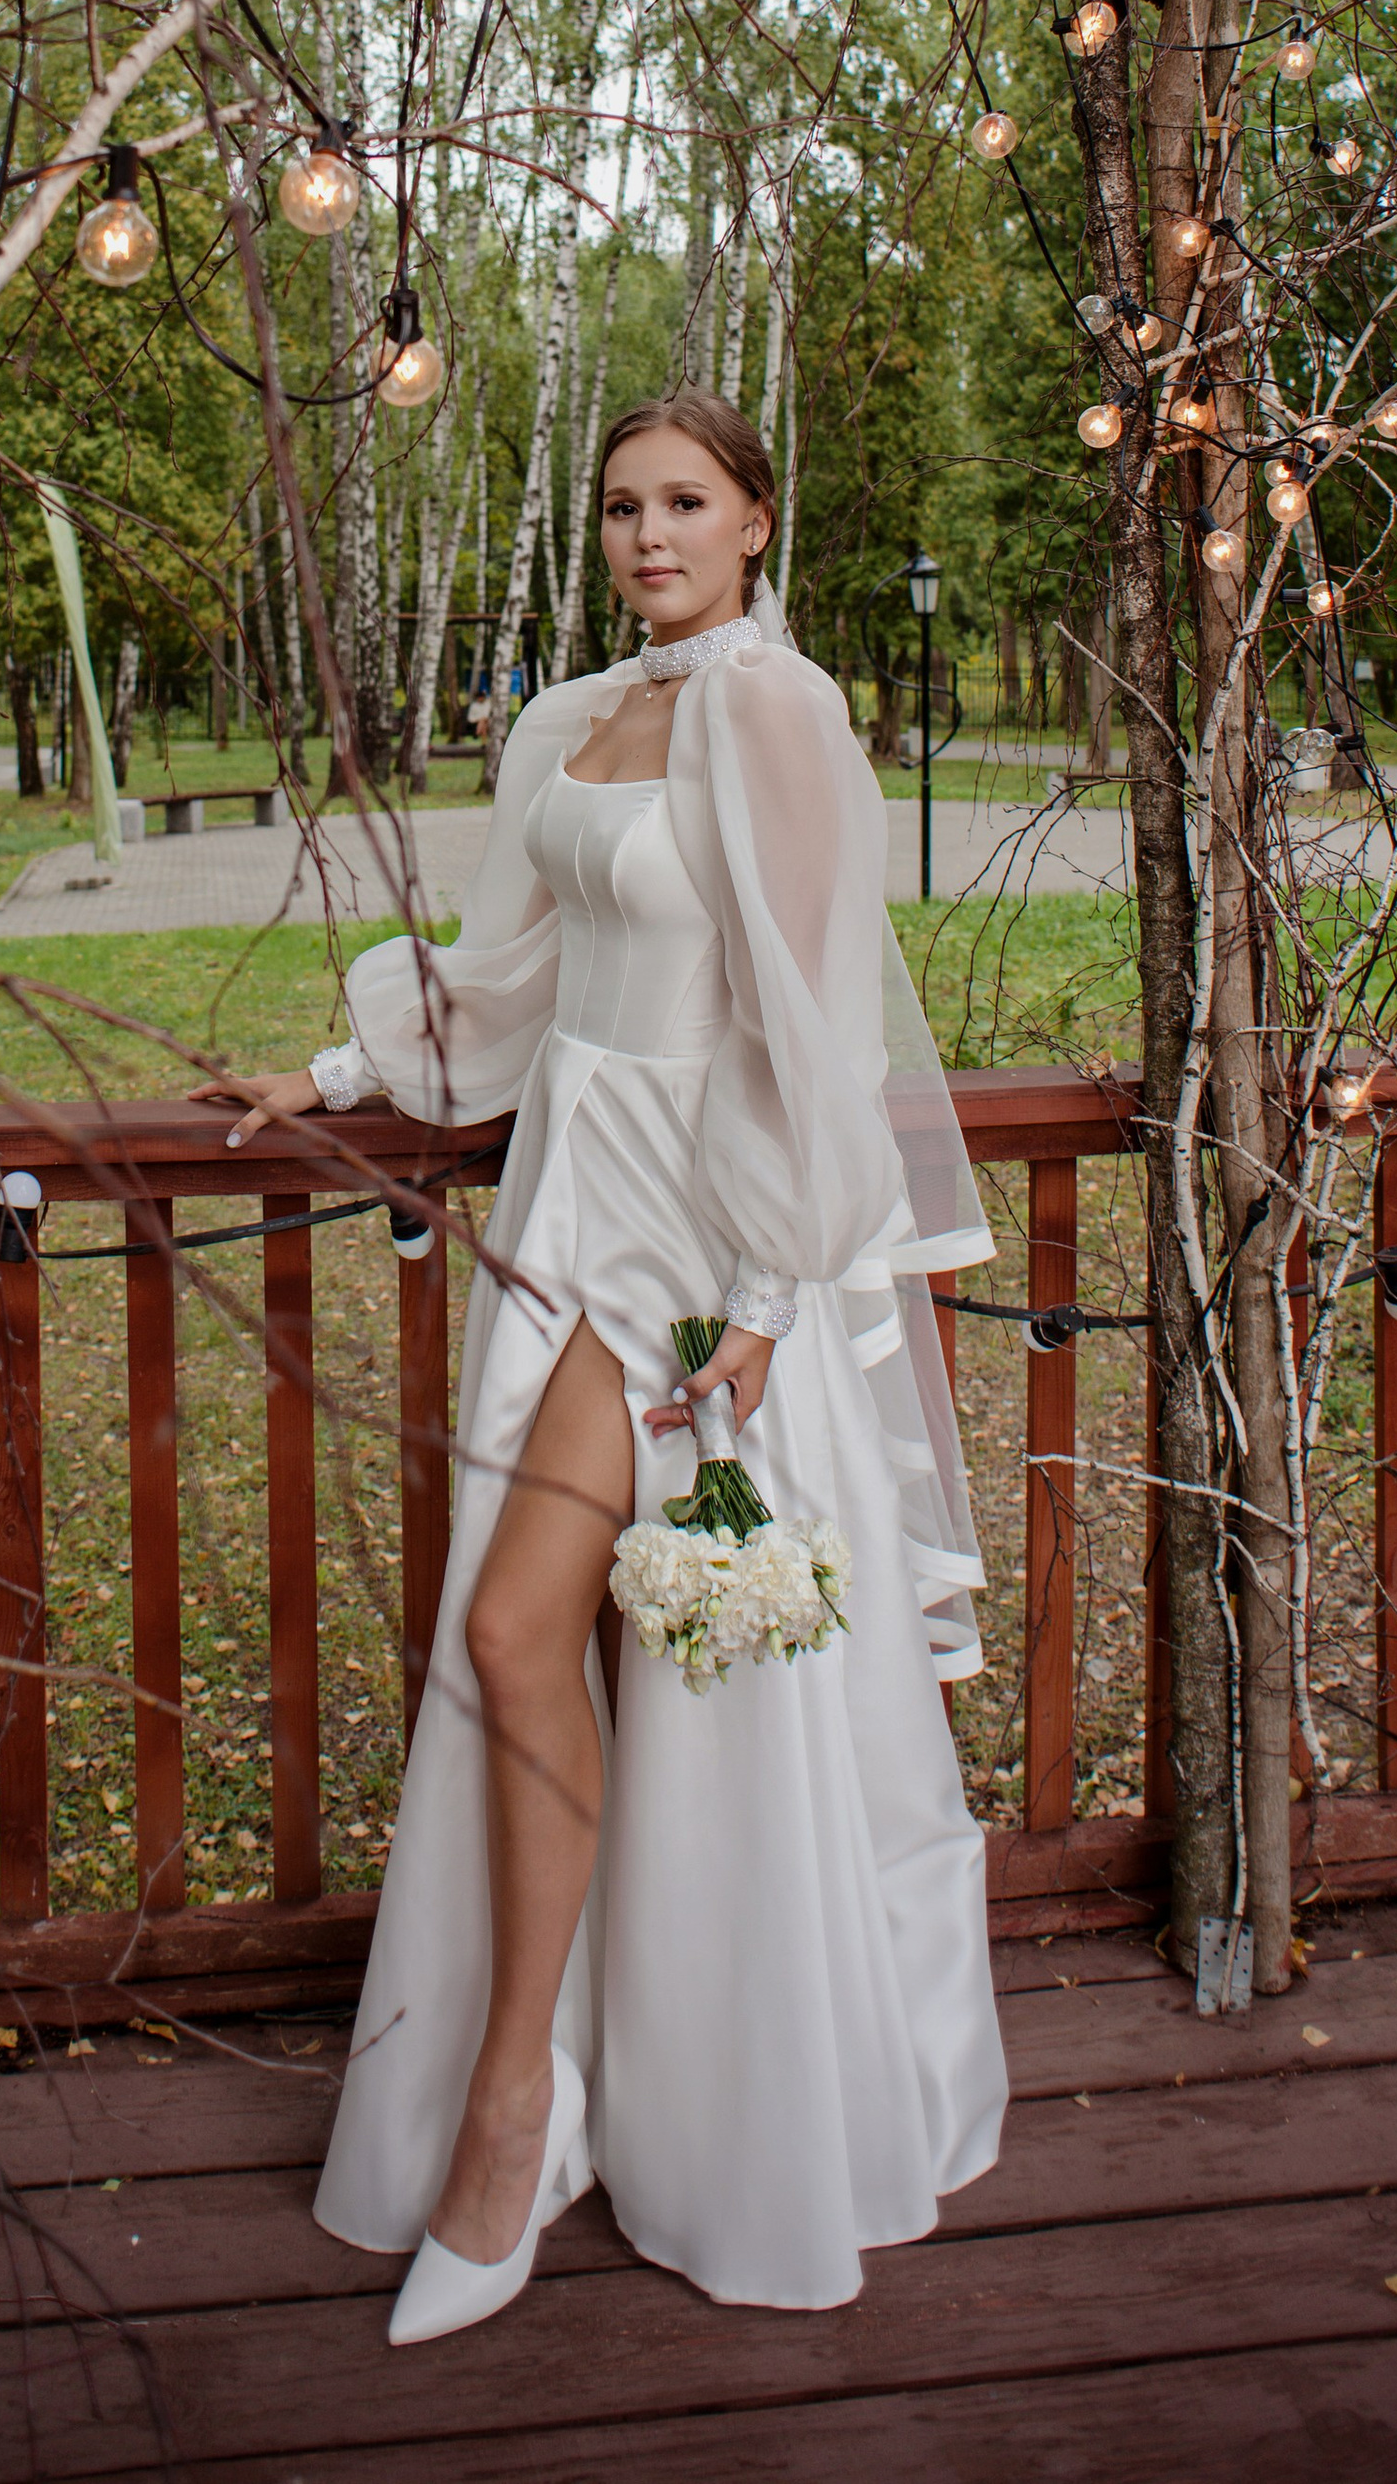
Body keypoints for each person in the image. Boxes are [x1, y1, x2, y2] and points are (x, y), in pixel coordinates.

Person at [215, 393, 1005, 2339]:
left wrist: (755, 1282)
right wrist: (325, 1077)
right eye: (619, 504)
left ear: (752, 518)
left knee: (541, 1639)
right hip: (571, 1209)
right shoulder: (571, 716)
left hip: (700, 1242)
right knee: (542, 1648)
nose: (647, 532)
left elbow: (809, 1015)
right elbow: (516, 969)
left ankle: (533, 2113)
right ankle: (534, 2089)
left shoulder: (779, 711)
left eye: (682, 500)